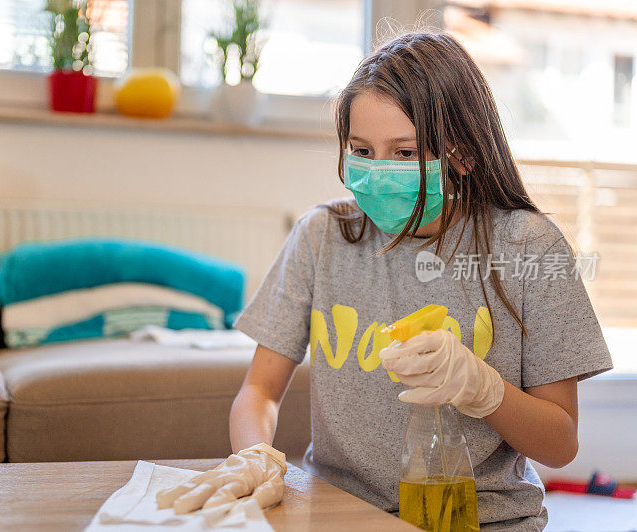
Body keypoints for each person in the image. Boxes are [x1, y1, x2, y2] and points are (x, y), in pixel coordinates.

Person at [155, 30, 613, 530]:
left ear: (461, 152)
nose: (378, 172)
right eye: (361, 150)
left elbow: (561, 443)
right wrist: (255, 455)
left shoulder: (528, 246)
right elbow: (260, 391)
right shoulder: (322, 236)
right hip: (337, 516)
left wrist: (485, 389)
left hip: (482, 522)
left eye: (403, 152)